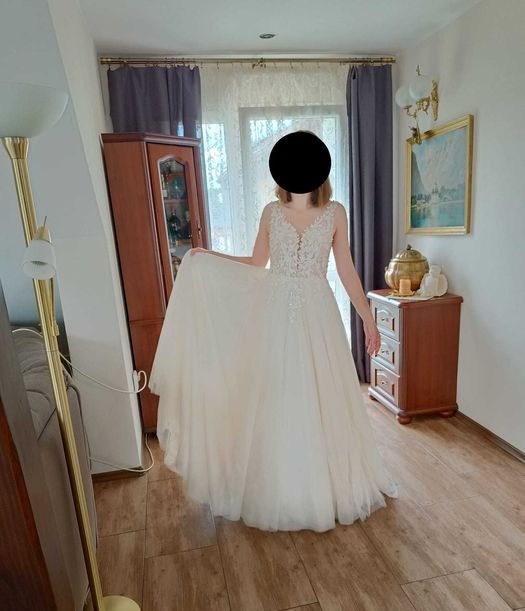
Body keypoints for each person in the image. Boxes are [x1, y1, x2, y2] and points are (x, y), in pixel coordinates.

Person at [149, 131, 399, 532]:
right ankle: (280, 487)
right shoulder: (271, 211)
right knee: (276, 393)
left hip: (318, 313)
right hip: (276, 313)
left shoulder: (335, 212)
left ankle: (327, 486)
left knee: (322, 393)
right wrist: (208, 255)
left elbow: (346, 269)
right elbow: (256, 262)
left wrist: (368, 318)